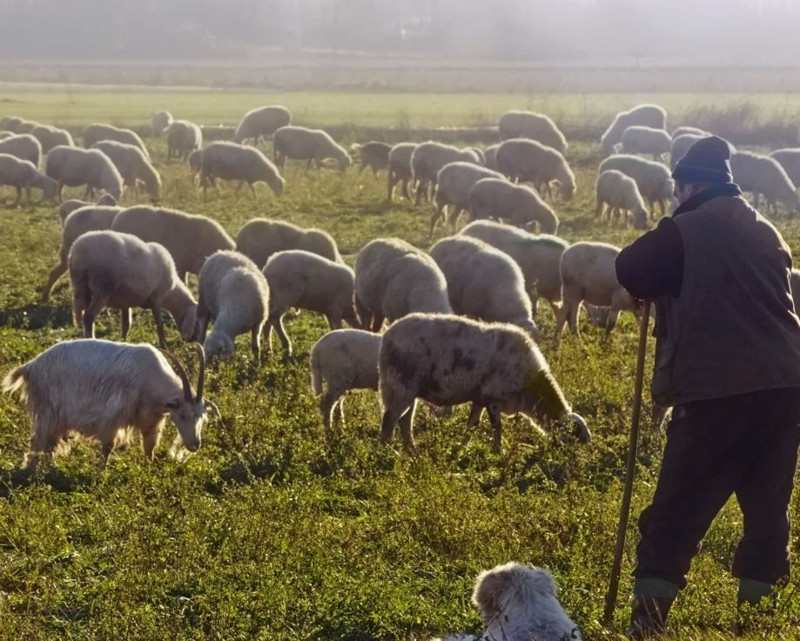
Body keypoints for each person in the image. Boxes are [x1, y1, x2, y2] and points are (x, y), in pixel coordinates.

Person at [615, 135, 800, 638]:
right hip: (785, 390)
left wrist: (668, 226)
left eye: (679, 190)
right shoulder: (767, 231)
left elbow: (630, 267)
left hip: (718, 391)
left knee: (677, 508)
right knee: (767, 510)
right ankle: (757, 624)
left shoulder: (687, 229)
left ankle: (647, 625)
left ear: (689, 186)